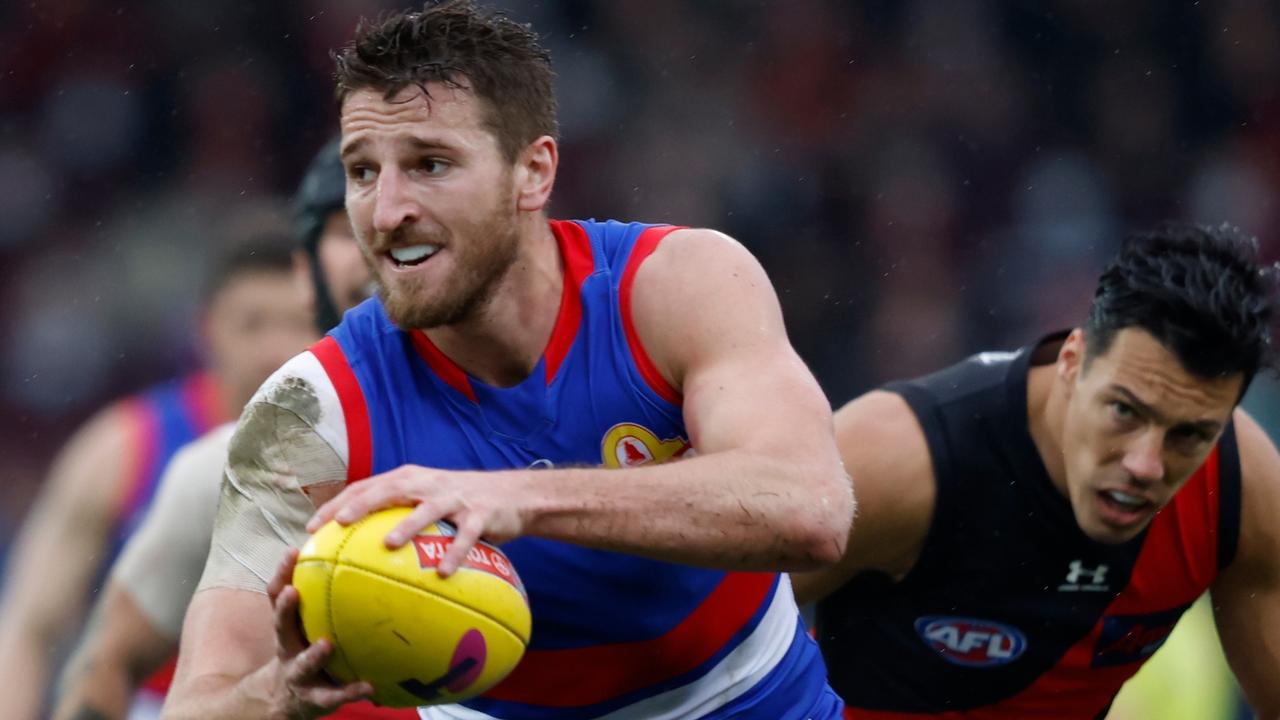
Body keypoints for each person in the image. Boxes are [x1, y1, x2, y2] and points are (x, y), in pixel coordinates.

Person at [163, 2, 854, 718]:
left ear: (533, 171)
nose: (385, 209)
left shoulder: (678, 284)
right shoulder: (308, 411)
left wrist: (514, 497)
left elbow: (812, 507)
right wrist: (280, 695)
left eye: (430, 164)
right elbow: (196, 707)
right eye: (363, 171)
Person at [793, 223, 1280, 718]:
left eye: (1190, 435)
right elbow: (716, 632)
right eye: (1124, 411)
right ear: (1073, 360)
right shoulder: (900, 459)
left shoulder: (1243, 487)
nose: (1145, 464)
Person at [50, 140, 411, 720]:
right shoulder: (216, 466)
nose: (380, 240)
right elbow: (103, 663)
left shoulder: (542, 427)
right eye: (348, 230)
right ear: (306, 270)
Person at [0, 224, 315, 720]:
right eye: (252, 324)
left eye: (299, 323)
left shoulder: (362, 445)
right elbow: (30, 627)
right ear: (206, 329)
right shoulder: (123, 448)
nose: (273, 349)